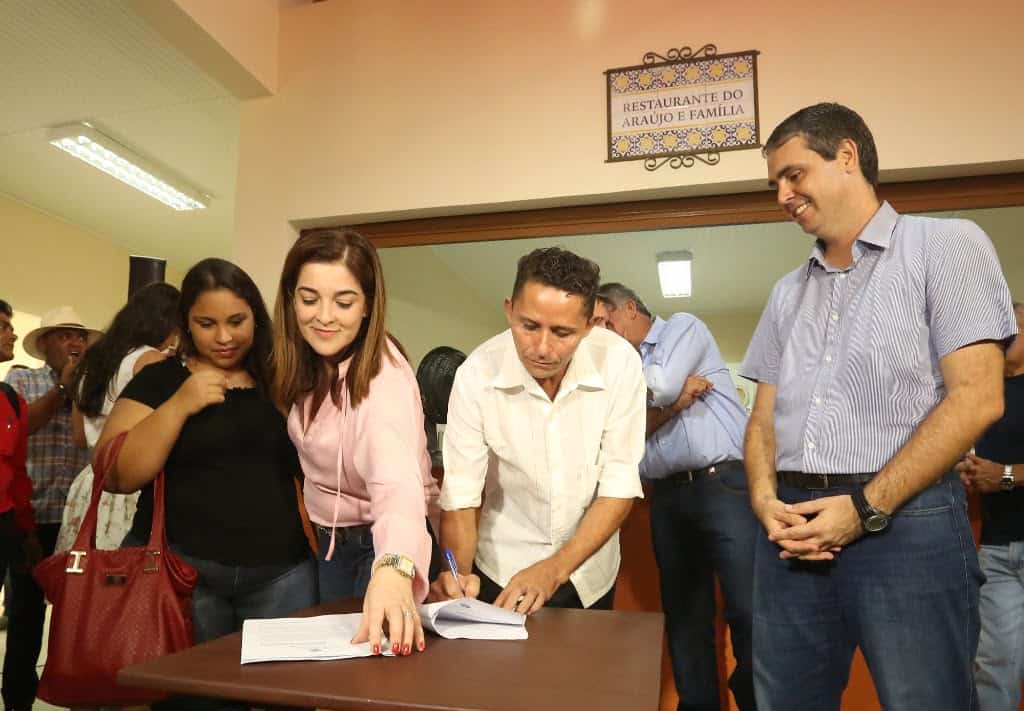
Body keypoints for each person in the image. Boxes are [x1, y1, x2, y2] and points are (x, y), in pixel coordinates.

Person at [740, 102, 1016, 710]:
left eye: (793, 174)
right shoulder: (786, 293)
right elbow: (762, 420)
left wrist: (864, 508)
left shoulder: (946, 245)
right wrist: (764, 503)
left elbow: (978, 398)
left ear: (846, 155)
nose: (782, 195)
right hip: (789, 529)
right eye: (775, 184)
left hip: (906, 523)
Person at [98, 259, 315, 710]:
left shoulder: (284, 379)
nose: (223, 337)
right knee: (189, 702)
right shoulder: (162, 379)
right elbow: (116, 474)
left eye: (237, 321)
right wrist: (179, 404)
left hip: (282, 577)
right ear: (185, 324)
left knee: (284, 700)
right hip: (184, 577)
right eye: (206, 324)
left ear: (257, 316)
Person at [433, 247, 646, 613]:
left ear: (591, 326)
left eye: (562, 332)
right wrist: (457, 575)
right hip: (502, 566)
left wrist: (554, 569)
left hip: (587, 573)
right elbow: (462, 495)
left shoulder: (620, 363)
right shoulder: (476, 374)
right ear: (509, 309)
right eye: (529, 326)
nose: (542, 348)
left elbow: (619, 485)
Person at [272, 228, 440, 657]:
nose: (324, 316)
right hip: (332, 546)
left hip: (379, 544)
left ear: (367, 306)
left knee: (375, 683)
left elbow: (395, 485)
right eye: (309, 299)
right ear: (291, 300)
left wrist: (393, 566)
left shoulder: (383, 381)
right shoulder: (310, 364)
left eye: (344, 302)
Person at [597, 282, 757, 711]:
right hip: (666, 499)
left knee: (749, 609)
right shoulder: (620, 366)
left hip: (722, 485)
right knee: (685, 620)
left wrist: (653, 397)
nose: (603, 337)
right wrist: (668, 404)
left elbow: (664, 384)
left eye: (606, 323)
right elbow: (618, 434)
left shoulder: (681, 327)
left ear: (629, 309)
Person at [4, 305, 99, 710]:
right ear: (44, 344)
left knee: (77, 620)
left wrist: (80, 389)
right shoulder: (20, 380)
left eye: (80, 336)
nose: (75, 343)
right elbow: (22, 429)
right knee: (25, 620)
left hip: (74, 522)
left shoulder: (92, 387)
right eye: (64, 335)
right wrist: (61, 388)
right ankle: (18, 702)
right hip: (29, 519)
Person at [56, 282, 180, 553]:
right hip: (129, 485)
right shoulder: (150, 360)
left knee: (86, 582)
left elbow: (79, 438)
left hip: (90, 484)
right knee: (125, 582)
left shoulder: (90, 363)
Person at [957, 301, 1024, 711]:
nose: (1004, 331)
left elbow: (1001, 473)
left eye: (1015, 322)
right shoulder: (977, 395)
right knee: (994, 668)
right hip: (994, 550)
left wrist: (1005, 475)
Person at [0, 300, 35, 663]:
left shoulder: (10, 399)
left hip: (4, 525)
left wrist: (25, 532)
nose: (12, 334)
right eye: (3, 326)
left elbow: (18, 473)